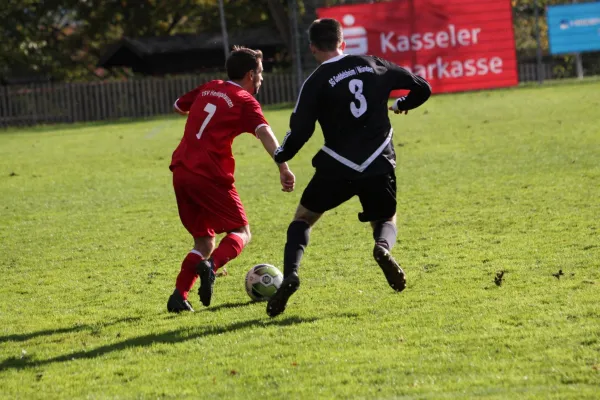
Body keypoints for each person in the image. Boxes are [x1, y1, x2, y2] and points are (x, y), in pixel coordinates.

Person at [266, 18, 431, 317]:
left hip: (337, 166)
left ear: (313, 48)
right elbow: (423, 87)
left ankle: (291, 274)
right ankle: (382, 248)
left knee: (303, 219)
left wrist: (281, 154)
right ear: (343, 42)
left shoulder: (314, 82)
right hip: (378, 159)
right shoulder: (374, 64)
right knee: (386, 217)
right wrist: (402, 103)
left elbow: (300, 130)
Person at [166, 46, 295, 312]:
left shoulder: (210, 86)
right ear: (250, 74)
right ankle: (210, 267)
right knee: (241, 232)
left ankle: (179, 296)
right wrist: (283, 166)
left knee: (204, 241)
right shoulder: (244, 100)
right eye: (260, 73)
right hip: (209, 174)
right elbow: (265, 134)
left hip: (181, 170)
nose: (261, 79)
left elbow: (179, 106)